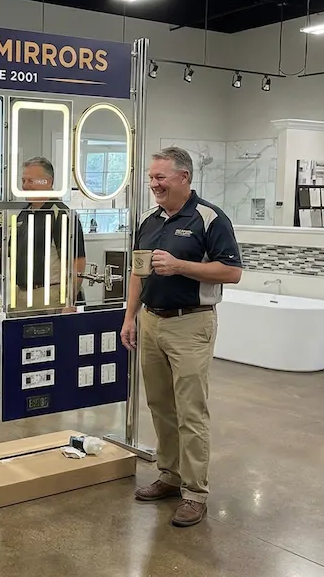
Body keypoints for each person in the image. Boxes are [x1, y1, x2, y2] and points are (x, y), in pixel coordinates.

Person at [120, 147, 243, 528]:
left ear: (184, 177)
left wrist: (180, 267)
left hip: (191, 324)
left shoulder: (210, 218)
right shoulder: (148, 220)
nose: (154, 184)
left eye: (161, 178)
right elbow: (138, 272)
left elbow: (232, 272)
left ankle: (195, 492)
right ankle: (169, 476)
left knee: (191, 410)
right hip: (152, 323)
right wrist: (130, 317)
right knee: (160, 405)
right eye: (151, 178)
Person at [11, 157, 87, 312]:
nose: (25, 186)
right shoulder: (23, 214)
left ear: (48, 182)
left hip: (49, 296)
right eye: (23, 181)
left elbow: (77, 262)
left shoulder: (62, 215)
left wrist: (69, 302)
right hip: (20, 295)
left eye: (31, 181)